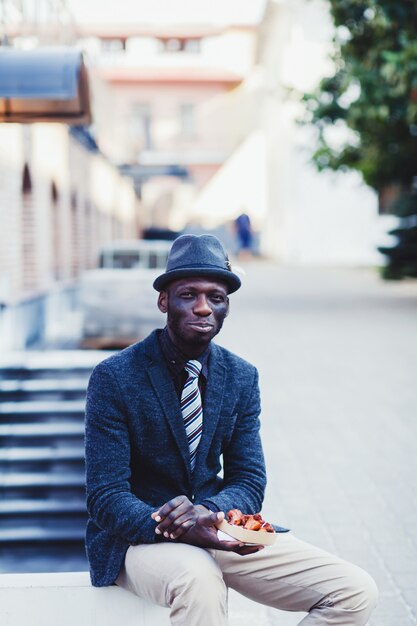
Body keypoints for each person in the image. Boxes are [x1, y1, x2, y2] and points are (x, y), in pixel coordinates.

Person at [85, 234, 378, 625]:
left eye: (216, 297)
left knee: (354, 591)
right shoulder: (115, 377)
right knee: (198, 578)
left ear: (226, 307)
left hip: (219, 529)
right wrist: (181, 528)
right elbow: (106, 496)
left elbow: (249, 479)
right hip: (138, 538)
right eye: (188, 295)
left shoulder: (240, 376)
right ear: (164, 302)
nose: (203, 307)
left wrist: (209, 513)